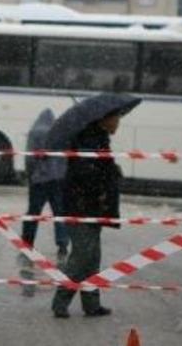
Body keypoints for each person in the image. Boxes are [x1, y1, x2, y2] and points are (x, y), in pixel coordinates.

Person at [51, 108, 126, 319]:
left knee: (92, 258)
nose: (118, 124)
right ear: (105, 118)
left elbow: (95, 169)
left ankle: (92, 305)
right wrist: (105, 181)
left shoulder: (97, 138)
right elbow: (85, 173)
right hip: (82, 207)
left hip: (90, 206)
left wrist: (110, 171)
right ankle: (60, 302)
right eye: (116, 119)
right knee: (82, 256)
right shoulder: (89, 140)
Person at [20, 109, 69, 267]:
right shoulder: (59, 132)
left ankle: (28, 243)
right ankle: (62, 245)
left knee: (33, 212)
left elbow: (30, 157)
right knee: (59, 212)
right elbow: (66, 157)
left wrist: (30, 175)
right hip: (58, 179)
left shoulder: (35, 132)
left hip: (39, 180)